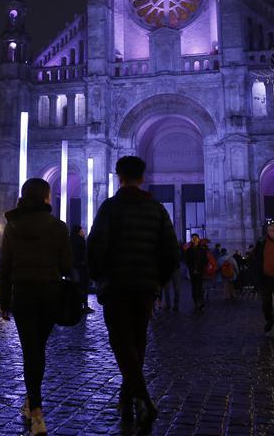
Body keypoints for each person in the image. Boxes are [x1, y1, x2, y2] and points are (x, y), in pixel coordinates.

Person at [88, 156, 179, 433]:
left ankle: (142, 399)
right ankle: (127, 399)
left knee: (120, 341)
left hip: (116, 286)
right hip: (145, 288)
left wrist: (100, 276)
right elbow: (171, 253)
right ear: (142, 177)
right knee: (137, 342)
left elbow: (95, 246)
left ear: (119, 177)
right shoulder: (157, 210)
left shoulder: (110, 207)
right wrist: (156, 281)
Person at [0, 178, 72, 436]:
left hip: (23, 295)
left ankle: (33, 404)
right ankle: (37, 411)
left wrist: (3, 301)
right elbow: (66, 266)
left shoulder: (13, 226)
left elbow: (5, 266)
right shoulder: (59, 227)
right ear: (45, 197)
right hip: (50, 295)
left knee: (32, 351)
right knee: (37, 350)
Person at [70, 225, 94, 313]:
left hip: (73, 267)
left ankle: (76, 306)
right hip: (81, 267)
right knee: (83, 287)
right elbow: (84, 254)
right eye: (81, 230)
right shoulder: (81, 241)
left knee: (76, 286)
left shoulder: (70, 240)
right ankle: (85, 306)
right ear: (78, 231)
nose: (83, 232)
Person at [184, 233, 208, 310]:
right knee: (194, 286)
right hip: (192, 271)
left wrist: (201, 267)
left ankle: (200, 300)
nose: (194, 239)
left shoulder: (202, 249)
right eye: (193, 238)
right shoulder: (188, 250)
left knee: (200, 285)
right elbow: (186, 260)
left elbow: (205, 259)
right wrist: (191, 268)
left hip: (200, 270)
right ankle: (196, 301)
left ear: (198, 239)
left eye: (196, 238)